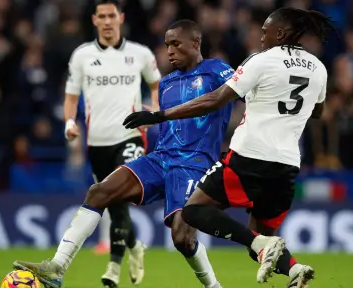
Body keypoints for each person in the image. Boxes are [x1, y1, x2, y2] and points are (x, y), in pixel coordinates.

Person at [14, 19, 236, 288]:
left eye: (176, 44)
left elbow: (242, 94)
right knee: (99, 191)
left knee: (182, 238)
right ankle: (57, 267)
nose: (169, 51)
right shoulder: (166, 84)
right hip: (161, 157)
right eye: (166, 45)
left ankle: (214, 286)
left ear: (196, 43)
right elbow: (172, 124)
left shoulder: (217, 70)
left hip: (195, 163)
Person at [123, 7, 335, 288]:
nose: (261, 38)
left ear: (280, 33)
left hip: (249, 156)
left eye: (265, 32)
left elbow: (215, 99)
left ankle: (260, 245)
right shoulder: (318, 68)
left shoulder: (261, 61)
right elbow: (317, 111)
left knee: (193, 211)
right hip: (286, 167)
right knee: (261, 243)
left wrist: (160, 115)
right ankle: (295, 271)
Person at [35, 0, 160, 287]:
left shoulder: (140, 54)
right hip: (97, 142)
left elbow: (156, 85)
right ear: (94, 20)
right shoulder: (82, 56)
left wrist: (153, 114)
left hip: (129, 137)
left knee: (118, 198)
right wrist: (69, 122)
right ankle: (134, 246)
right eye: (101, 16)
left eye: (111, 16)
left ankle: (114, 268)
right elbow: (70, 97)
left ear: (121, 18)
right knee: (111, 202)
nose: (106, 21)